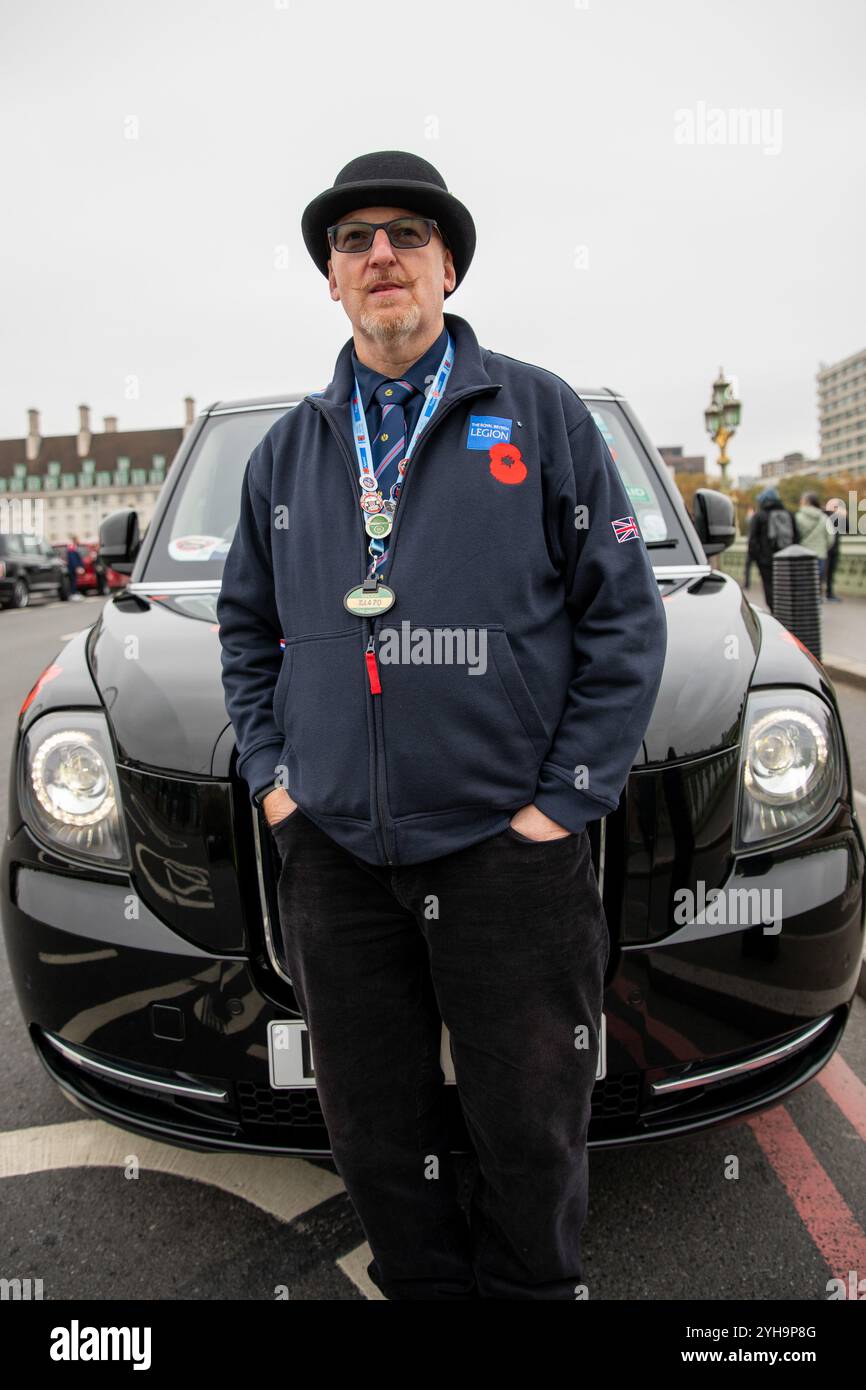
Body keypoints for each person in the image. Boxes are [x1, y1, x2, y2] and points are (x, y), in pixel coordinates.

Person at [217, 150, 668, 1300]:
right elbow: (243, 630)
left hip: (501, 858)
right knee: (373, 1127)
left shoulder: (540, 414)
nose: (381, 255)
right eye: (354, 239)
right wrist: (276, 779)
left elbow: (622, 617)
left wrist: (557, 803)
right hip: (335, 856)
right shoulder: (286, 452)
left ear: (447, 265)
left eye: (406, 235)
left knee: (529, 1123)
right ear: (329, 279)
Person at [746, 486, 797, 611]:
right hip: (787, 558)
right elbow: (797, 536)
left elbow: (752, 540)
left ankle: (775, 610)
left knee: (769, 586)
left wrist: (756, 558)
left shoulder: (759, 516)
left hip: (766, 560)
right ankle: (787, 610)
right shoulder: (789, 514)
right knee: (786, 585)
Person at [795, 490, 830, 592]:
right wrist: (823, 548)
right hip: (820, 554)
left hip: (802, 555)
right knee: (817, 584)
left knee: (803, 584)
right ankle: (816, 603)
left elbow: (794, 537)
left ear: (806, 502)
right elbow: (830, 539)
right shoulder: (824, 518)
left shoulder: (798, 517)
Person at [824, 496, 846, 601]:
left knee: (828, 573)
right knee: (825, 572)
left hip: (831, 549)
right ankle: (827, 593)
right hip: (828, 549)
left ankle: (828, 593)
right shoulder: (828, 517)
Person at [66, 535, 85, 601]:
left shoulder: (74, 547)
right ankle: (73, 594)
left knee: (74, 581)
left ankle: (74, 593)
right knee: (73, 581)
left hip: (73, 568)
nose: (79, 541)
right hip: (72, 569)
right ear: (75, 540)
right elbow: (73, 559)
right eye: (77, 539)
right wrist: (76, 567)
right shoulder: (72, 547)